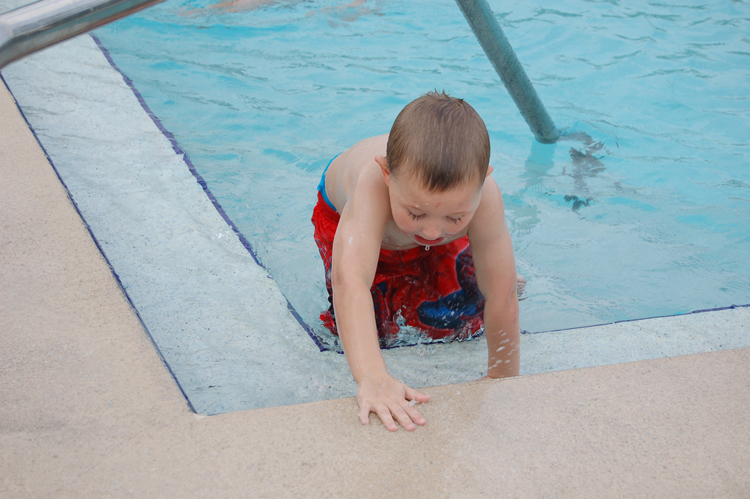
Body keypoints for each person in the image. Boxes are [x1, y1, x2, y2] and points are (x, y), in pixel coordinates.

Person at [311, 91, 521, 431]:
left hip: (425, 204)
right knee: (378, 329)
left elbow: (503, 294)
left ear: (481, 185)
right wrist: (373, 377)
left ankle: (455, 237)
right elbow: (351, 282)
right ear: (387, 175)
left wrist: (504, 375)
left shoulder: (481, 198)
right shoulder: (372, 185)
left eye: (455, 217)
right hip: (355, 222)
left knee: (465, 315)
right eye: (416, 213)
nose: (433, 231)